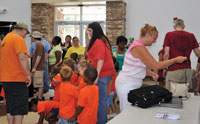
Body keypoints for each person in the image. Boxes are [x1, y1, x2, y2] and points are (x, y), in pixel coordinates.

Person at [115, 24, 187, 112]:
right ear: (148, 35)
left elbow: (139, 66)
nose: (155, 41)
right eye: (154, 38)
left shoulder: (140, 46)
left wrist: (151, 73)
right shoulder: (138, 47)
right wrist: (175, 60)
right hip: (126, 84)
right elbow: (156, 65)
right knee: (127, 114)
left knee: (133, 113)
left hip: (133, 84)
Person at [0, 22, 31, 124]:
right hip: (17, 78)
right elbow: (22, 57)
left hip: (6, 78)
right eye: (26, 33)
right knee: (18, 108)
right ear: (23, 30)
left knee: (10, 107)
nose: (25, 35)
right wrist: (28, 74)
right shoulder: (18, 39)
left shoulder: (6, 39)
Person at [86, 22, 115, 124]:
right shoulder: (100, 39)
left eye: (90, 31)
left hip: (102, 74)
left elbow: (100, 59)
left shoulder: (99, 41)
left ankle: (101, 121)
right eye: (88, 31)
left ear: (95, 30)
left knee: (101, 101)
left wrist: (97, 76)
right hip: (102, 73)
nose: (89, 33)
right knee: (100, 100)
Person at [163, 18, 200, 91]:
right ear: (184, 26)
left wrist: (164, 68)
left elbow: (166, 54)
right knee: (184, 95)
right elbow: (198, 53)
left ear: (174, 27)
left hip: (173, 69)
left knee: (171, 94)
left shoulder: (169, 35)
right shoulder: (191, 36)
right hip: (187, 70)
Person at [30, 31, 46, 100]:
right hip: (39, 67)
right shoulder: (39, 45)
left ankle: (39, 97)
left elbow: (39, 56)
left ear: (34, 38)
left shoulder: (39, 45)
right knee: (38, 82)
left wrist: (34, 67)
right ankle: (39, 96)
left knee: (39, 83)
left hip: (39, 68)